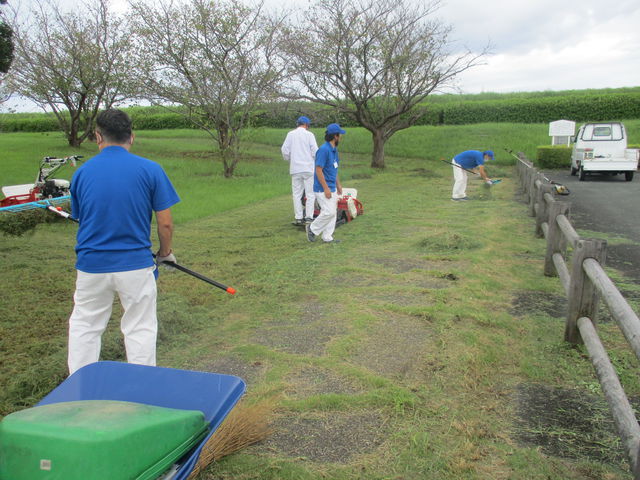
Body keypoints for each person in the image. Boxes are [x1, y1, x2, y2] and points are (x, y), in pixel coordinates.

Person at [67, 109, 180, 374]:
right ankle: (141, 390)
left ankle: (79, 387)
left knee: (85, 325)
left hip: (91, 265)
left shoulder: (81, 173)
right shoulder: (151, 169)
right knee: (139, 327)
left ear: (98, 137)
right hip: (136, 266)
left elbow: (81, 218)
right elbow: (165, 223)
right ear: (132, 137)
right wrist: (165, 253)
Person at [306, 123, 345, 243]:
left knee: (332, 213)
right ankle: (312, 229)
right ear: (335, 136)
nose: (341, 137)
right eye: (340, 135)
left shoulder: (334, 150)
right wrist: (326, 188)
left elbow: (334, 168)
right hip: (322, 188)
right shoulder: (323, 150)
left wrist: (338, 184)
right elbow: (318, 170)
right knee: (329, 212)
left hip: (332, 186)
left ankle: (327, 237)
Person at [281, 116, 319, 225]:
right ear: (307, 125)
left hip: (295, 169)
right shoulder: (309, 135)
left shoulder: (290, 134)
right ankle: (308, 217)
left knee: (296, 194)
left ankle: (298, 217)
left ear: (298, 124)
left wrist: (289, 159)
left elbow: (284, 150)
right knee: (310, 194)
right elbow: (315, 151)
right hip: (308, 168)